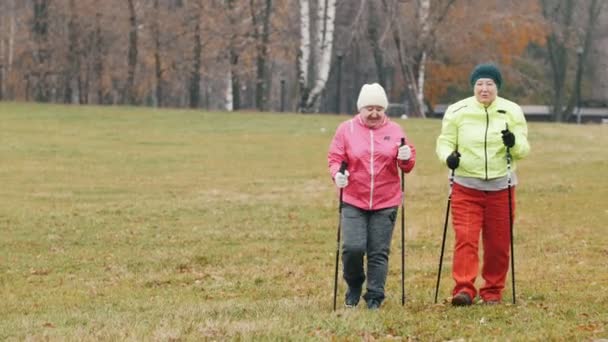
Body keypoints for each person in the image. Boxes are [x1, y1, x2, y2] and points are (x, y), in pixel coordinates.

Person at [436, 63, 530, 306]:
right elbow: (445, 141)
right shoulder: (458, 110)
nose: (484, 88)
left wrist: (513, 143)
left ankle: (492, 291)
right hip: (466, 186)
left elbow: (523, 149)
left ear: (497, 87)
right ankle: (464, 289)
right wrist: (448, 157)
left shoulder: (511, 110)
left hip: (501, 186)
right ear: (473, 86)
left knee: (498, 244)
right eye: (480, 84)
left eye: (490, 84)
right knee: (466, 239)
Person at [328, 83, 416, 310]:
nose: (374, 113)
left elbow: (406, 165)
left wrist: (406, 157)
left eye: (379, 108)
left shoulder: (395, 130)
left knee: (378, 251)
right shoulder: (345, 130)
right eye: (369, 108)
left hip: (386, 200)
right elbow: (335, 157)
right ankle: (355, 284)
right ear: (360, 108)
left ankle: (375, 296)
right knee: (353, 248)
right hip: (353, 199)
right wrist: (337, 174)